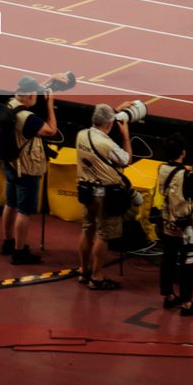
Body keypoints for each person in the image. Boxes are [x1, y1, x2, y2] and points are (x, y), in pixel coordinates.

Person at [0, 78, 57, 265]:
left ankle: (8, 242)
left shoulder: (9, 104)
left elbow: (28, 92)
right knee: (24, 210)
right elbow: (51, 130)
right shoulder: (27, 118)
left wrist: (51, 80)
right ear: (31, 95)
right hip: (27, 167)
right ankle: (19, 251)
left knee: (10, 203)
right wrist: (50, 106)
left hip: (10, 162)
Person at [75, 103, 134, 290]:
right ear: (109, 125)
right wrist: (125, 135)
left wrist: (114, 112)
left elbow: (102, 124)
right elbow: (126, 159)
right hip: (105, 195)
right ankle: (97, 276)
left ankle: (84, 271)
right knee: (103, 235)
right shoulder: (107, 144)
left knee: (87, 229)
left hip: (86, 189)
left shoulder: (81, 135)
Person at [156, 133, 193, 315]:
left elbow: (180, 176)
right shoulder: (186, 176)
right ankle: (187, 303)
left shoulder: (162, 169)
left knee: (168, 260)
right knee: (188, 265)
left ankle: (169, 296)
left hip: (168, 223)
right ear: (183, 152)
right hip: (185, 228)